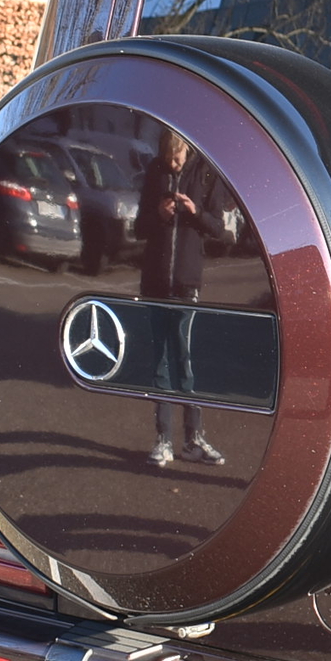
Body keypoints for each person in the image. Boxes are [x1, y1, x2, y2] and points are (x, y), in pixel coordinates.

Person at [136, 130, 228, 465]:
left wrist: (193, 211)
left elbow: (218, 227)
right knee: (159, 360)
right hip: (156, 282)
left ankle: (194, 439)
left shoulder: (206, 173)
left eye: (177, 159)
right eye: (168, 160)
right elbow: (138, 227)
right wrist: (158, 214)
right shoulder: (154, 171)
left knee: (185, 359)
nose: (172, 166)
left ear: (186, 150)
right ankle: (163, 440)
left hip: (187, 282)